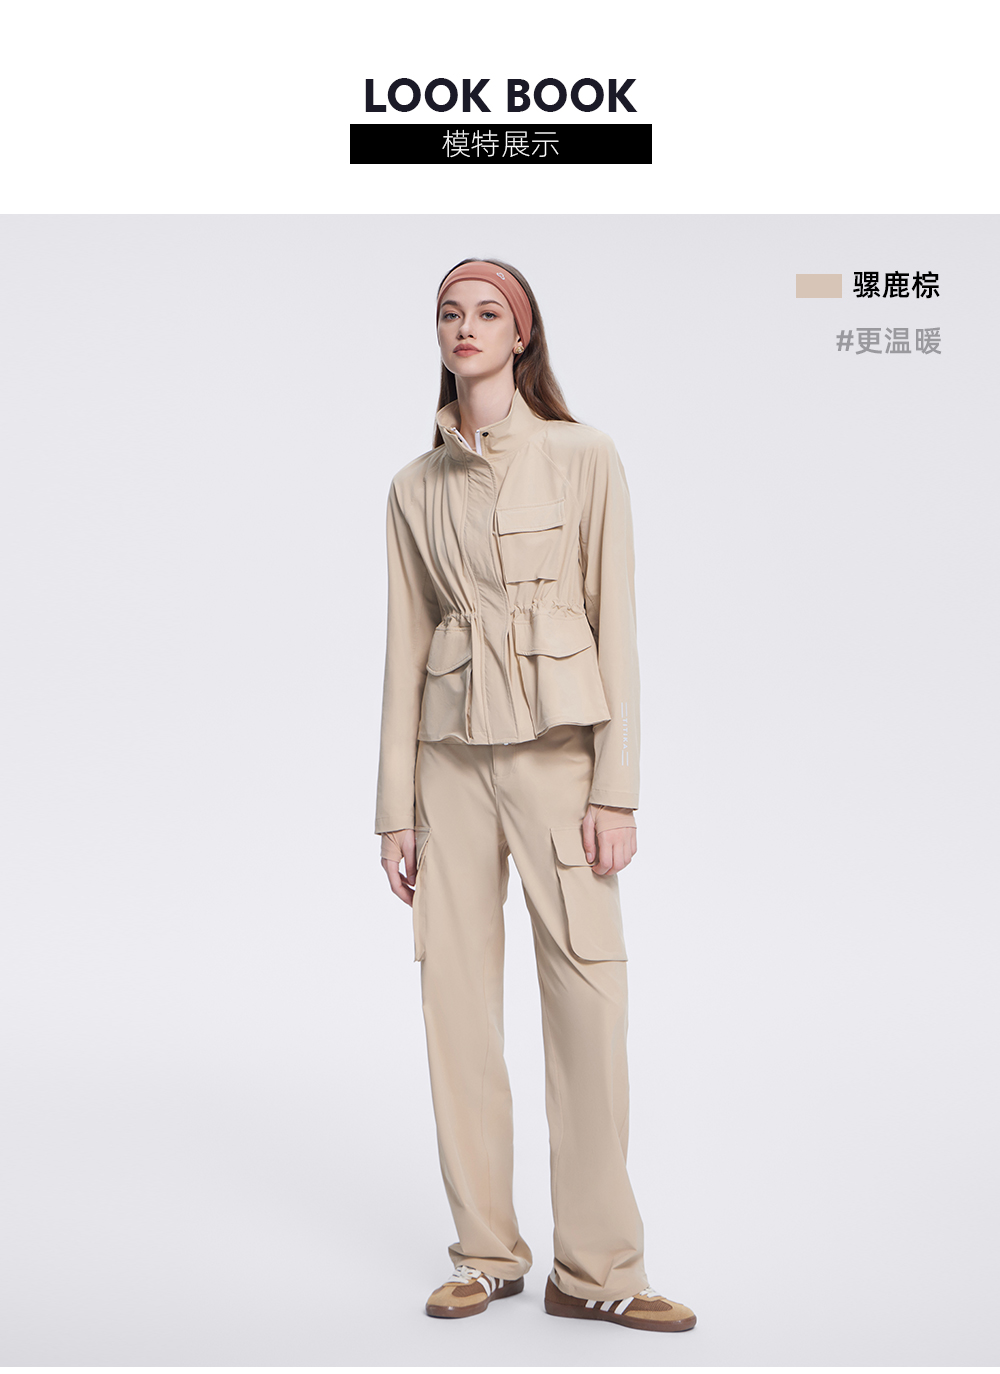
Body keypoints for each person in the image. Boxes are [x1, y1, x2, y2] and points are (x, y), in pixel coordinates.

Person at [374, 258, 696, 1334]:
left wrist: (618, 788)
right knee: (455, 1009)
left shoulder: (582, 455)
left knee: (589, 1007)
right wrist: (394, 809)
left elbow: (618, 625)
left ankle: (598, 1269)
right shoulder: (413, 488)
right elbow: (403, 648)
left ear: (522, 336)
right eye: (449, 313)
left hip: (563, 766)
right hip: (450, 767)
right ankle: (486, 1255)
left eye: (487, 312)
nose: (464, 326)